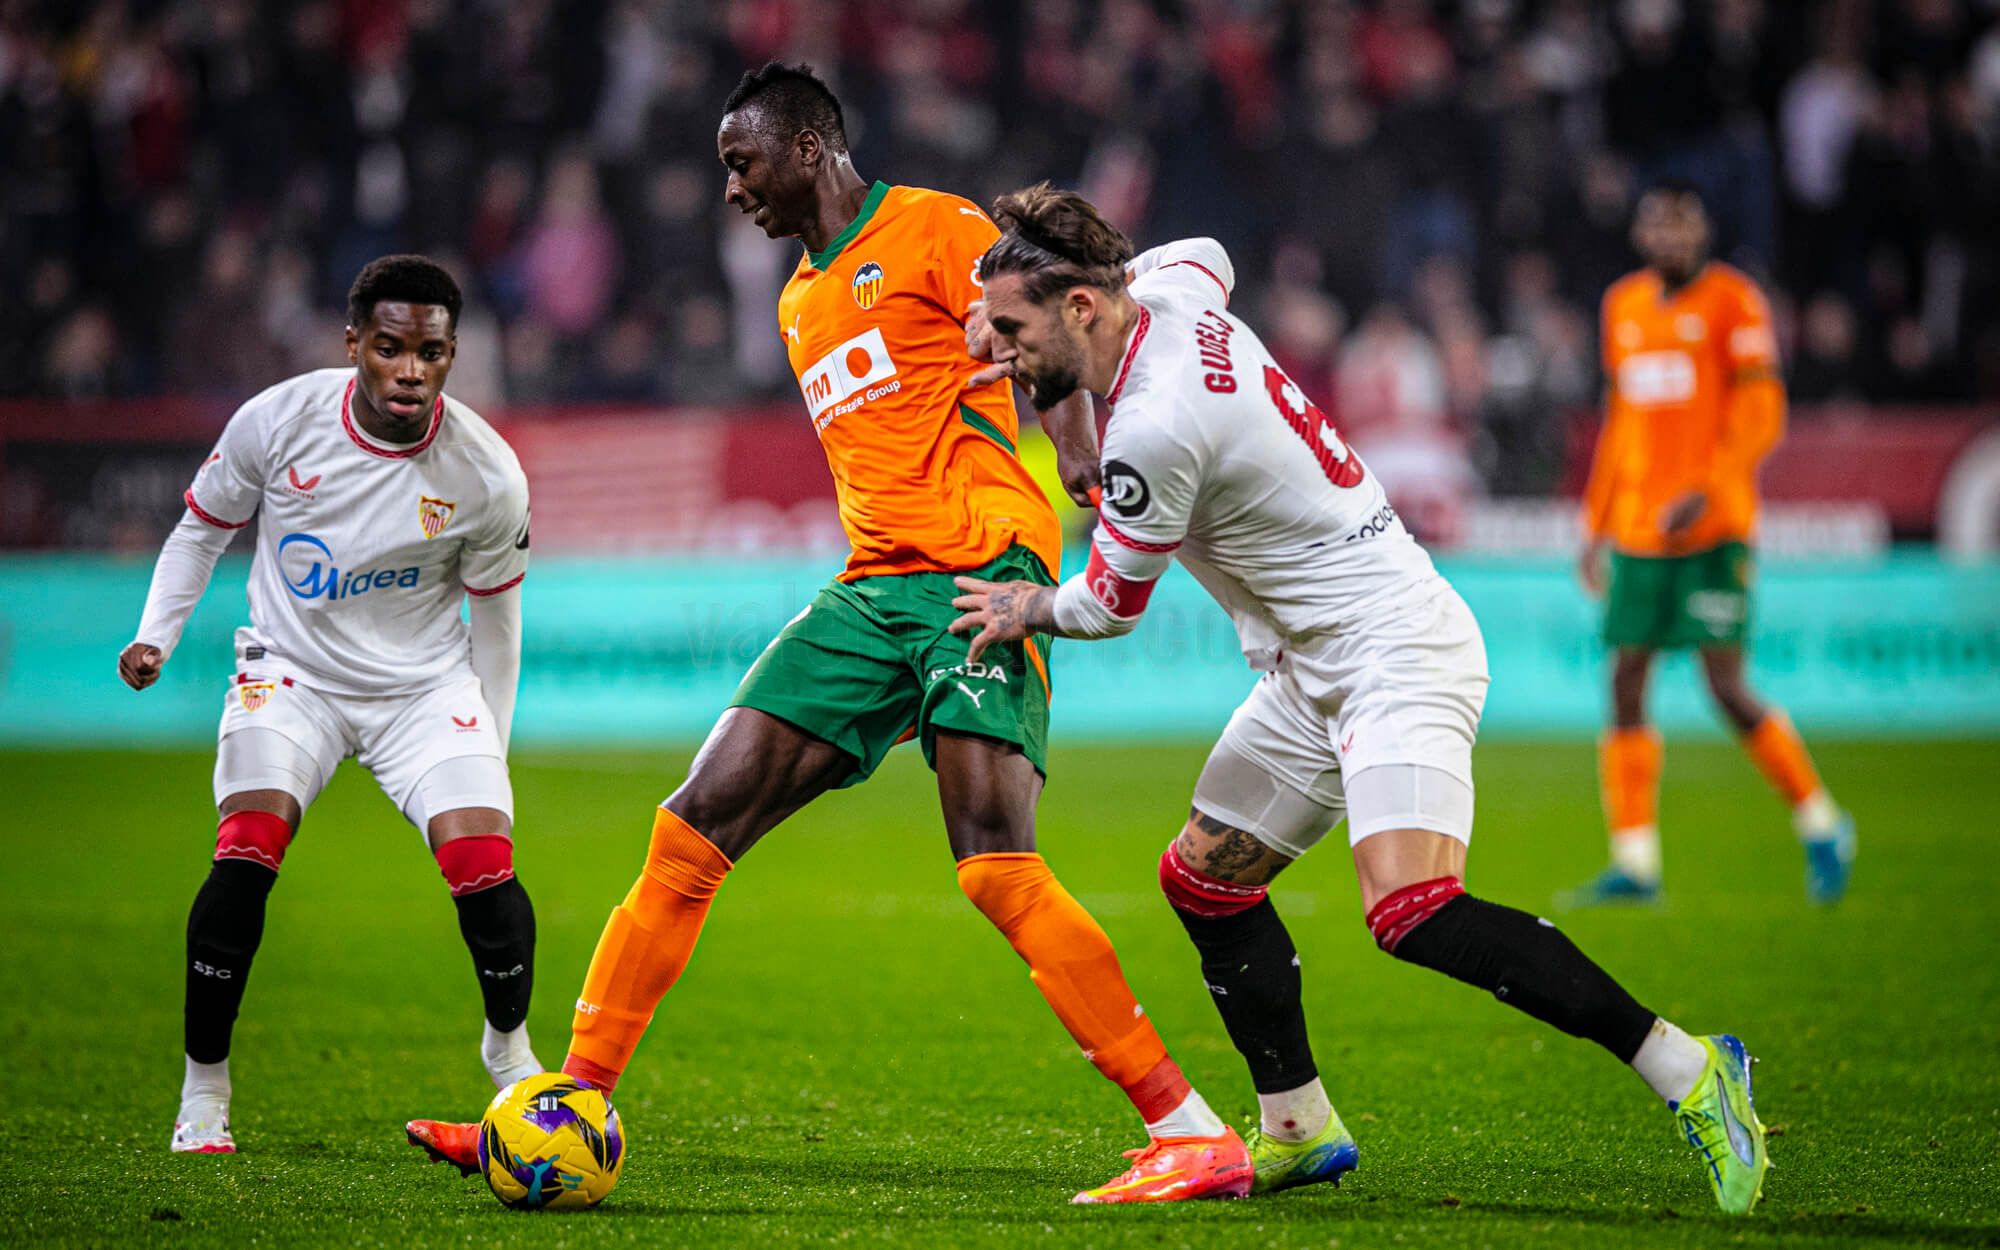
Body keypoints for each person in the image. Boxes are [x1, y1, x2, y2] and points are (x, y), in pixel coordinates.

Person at [406, 63, 1250, 1205]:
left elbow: (1041, 328)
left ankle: (1188, 1128)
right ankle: (564, 1105)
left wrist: (1078, 443)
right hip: (866, 591)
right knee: (687, 829)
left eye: (740, 162)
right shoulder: (798, 298)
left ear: (805, 146)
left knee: (995, 864)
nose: (730, 190)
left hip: (976, 573)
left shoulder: (935, 228)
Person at [948, 184, 1772, 1215]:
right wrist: (1038, 363)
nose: (999, 351)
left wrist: (1028, 603)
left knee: (1412, 908)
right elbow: (1204, 241)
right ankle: (1298, 1124)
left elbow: (1109, 607)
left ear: (1078, 308)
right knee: (1204, 881)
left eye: (1014, 332)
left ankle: (1689, 1066)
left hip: (1394, 646)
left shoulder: (1155, 426)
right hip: (1307, 666)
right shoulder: (1168, 284)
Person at [120, 256, 540, 1154]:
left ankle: (508, 1051)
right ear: (355, 344)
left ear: (453, 353)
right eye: (390, 348)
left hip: (422, 689)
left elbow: (498, 619)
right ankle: (206, 1091)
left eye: (430, 352)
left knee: (486, 867)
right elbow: (203, 528)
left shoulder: (488, 473)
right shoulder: (276, 422)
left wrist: (490, 752)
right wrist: (158, 633)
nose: (410, 370)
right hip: (292, 676)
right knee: (245, 856)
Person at [1568, 181, 1855, 908]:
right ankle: (1635, 863)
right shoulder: (1623, 306)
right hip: (1637, 531)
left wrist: (1710, 483)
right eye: (1659, 226)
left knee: (1724, 684)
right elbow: (1621, 420)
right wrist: (1595, 523)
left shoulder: (1734, 301)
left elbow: (1763, 409)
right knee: (1625, 679)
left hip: (1714, 527)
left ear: (1702, 231)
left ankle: (1821, 822)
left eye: (1684, 225)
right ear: (1641, 235)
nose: (1673, 238)